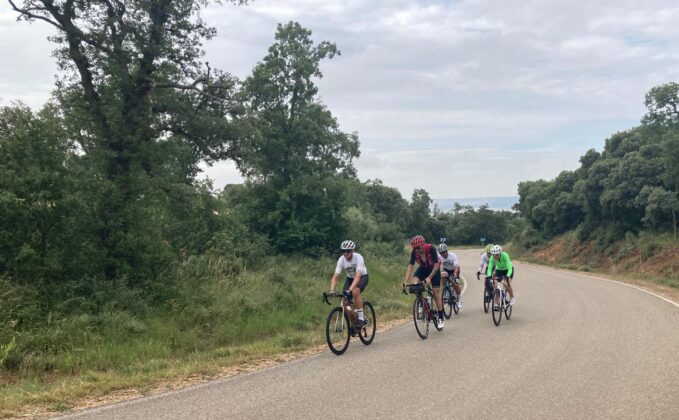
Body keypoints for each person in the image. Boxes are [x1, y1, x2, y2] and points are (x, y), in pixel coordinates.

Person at [402, 235, 445, 328]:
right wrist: (405, 281)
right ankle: (421, 302)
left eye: (418, 248)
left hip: (434, 268)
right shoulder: (414, 252)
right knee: (415, 283)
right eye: (415, 248)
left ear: (423, 244)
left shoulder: (431, 248)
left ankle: (441, 317)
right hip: (424, 268)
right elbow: (410, 266)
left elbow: (436, 265)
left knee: (435, 293)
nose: (416, 250)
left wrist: (429, 278)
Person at [330, 240, 369, 329]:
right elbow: (336, 276)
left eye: (348, 251)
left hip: (362, 277)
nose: (345, 253)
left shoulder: (358, 257)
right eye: (343, 251)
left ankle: (361, 319)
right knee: (344, 302)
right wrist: (332, 290)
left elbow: (358, 276)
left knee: (355, 291)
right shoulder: (341, 259)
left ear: (352, 251)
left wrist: (350, 290)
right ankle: (354, 321)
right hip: (350, 279)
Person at [486, 244, 515, 310]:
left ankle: (512, 297)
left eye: (497, 254)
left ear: (500, 253)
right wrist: (489, 276)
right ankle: (496, 303)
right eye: (494, 255)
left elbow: (509, 267)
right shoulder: (492, 258)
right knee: (496, 286)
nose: (495, 256)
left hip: (508, 270)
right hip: (499, 270)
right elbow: (489, 268)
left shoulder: (505, 255)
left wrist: (507, 276)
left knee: (505, 284)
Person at [438, 243, 463, 309]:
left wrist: (454, 274)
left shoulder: (453, 256)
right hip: (446, 270)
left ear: (447, 251)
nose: (443, 254)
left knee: (455, 284)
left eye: (444, 252)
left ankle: (459, 300)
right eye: (441, 253)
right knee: (443, 276)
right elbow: (438, 266)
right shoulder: (439, 257)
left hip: (455, 270)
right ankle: (446, 291)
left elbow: (457, 267)